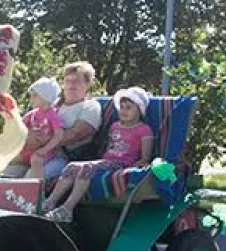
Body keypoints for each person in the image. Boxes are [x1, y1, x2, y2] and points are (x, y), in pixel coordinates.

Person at [41, 86, 155, 222]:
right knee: (71, 166)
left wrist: (139, 165)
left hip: (123, 163)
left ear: (139, 110)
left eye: (129, 107)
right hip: (106, 162)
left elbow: (145, 157)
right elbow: (109, 149)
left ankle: (67, 209)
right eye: (122, 107)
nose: (123, 111)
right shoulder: (115, 126)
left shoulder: (143, 130)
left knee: (87, 168)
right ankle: (49, 203)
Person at [3, 76, 64, 179]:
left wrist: (44, 150)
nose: (31, 98)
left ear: (45, 97)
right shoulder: (32, 114)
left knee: (36, 159)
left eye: (35, 95)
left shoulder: (52, 115)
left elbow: (59, 135)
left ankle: (37, 188)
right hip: (28, 152)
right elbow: (19, 127)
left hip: (44, 153)